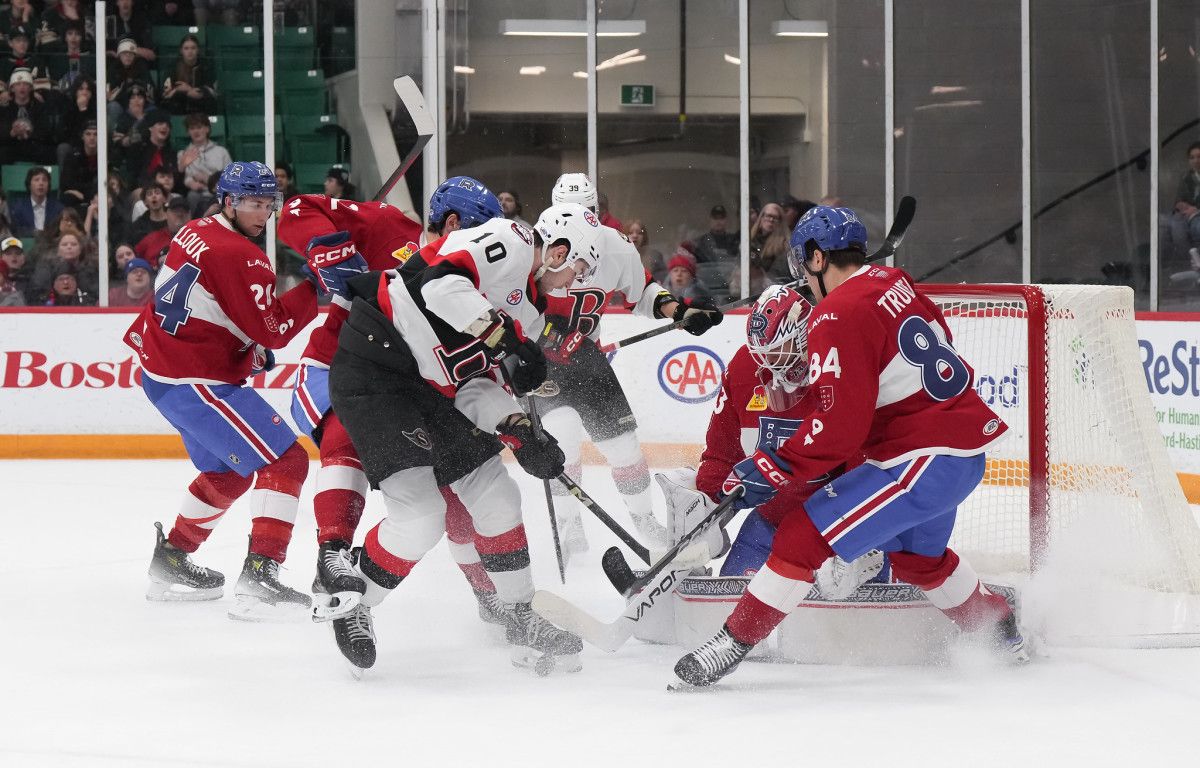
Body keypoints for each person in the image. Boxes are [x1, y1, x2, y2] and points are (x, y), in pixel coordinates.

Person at [673, 205, 1027, 687]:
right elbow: (936, 338)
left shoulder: (835, 314)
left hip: (920, 459)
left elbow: (838, 427)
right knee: (919, 560)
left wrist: (775, 464)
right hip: (957, 453)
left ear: (818, 259)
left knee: (801, 534)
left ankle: (730, 644)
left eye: (804, 265)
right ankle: (999, 629)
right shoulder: (893, 283)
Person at [315, 200, 595, 674]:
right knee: (421, 515)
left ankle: (520, 616)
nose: (574, 283)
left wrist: (517, 427)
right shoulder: (511, 239)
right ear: (559, 250)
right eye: (578, 270)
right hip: (379, 367)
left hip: (438, 390)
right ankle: (352, 601)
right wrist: (505, 341)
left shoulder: (528, 314)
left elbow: (475, 384)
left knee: (498, 497)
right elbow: (439, 286)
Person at [277, 176, 517, 636]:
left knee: (460, 498)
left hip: (416, 392)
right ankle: (333, 555)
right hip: (341, 369)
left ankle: (488, 594)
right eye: (478, 231)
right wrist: (327, 248)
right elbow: (296, 209)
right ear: (452, 222)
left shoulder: (475, 278)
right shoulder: (389, 227)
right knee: (346, 443)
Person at [123, 161, 319, 620]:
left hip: (163, 375)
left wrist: (241, 346)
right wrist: (314, 286)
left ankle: (171, 560)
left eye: (269, 204)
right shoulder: (242, 255)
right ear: (229, 202)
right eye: (254, 204)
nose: (263, 214)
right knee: (286, 460)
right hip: (195, 381)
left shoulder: (196, 230)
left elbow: (209, 304)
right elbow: (273, 330)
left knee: (229, 473)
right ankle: (260, 580)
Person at [541, 172, 724, 559]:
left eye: (586, 212)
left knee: (624, 449)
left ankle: (642, 520)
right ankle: (568, 524)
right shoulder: (536, 248)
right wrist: (546, 339)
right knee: (563, 446)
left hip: (588, 361)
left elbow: (641, 292)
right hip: (543, 366)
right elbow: (511, 304)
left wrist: (680, 311)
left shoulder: (614, 247)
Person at [0, 68, 56, 165]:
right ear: (12, 88)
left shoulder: (39, 107)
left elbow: (46, 131)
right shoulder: (5, 108)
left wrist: (29, 132)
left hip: (33, 145)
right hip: (12, 145)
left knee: (48, 153)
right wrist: (12, 133)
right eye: (18, 84)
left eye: (25, 84)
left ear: (30, 88)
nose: (22, 87)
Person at [177, 112, 232, 211]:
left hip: (218, 192)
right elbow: (186, 177)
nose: (196, 131)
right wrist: (190, 183)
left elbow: (230, 178)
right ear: (188, 132)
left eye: (199, 127)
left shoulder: (221, 151)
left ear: (207, 129)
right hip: (197, 193)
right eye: (192, 128)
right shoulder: (184, 154)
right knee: (192, 196)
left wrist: (208, 179)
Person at [160, 33, 216, 115]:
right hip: (178, 109)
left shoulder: (206, 66)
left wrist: (188, 89)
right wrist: (178, 90)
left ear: (198, 50)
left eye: (193, 48)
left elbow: (210, 93)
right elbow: (166, 94)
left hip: (202, 110)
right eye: (186, 48)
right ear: (181, 51)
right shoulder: (173, 66)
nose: (190, 51)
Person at [9, 166, 63, 237]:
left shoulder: (58, 208)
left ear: (48, 185)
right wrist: (34, 233)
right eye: (36, 180)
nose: (41, 183)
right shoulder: (18, 208)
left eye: (44, 180)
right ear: (29, 185)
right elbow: (16, 230)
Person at [134, 196, 189, 261]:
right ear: (167, 213)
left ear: (190, 215)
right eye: (175, 211)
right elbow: (134, 258)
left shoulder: (197, 241)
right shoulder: (152, 239)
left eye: (183, 211)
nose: (179, 214)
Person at [625, 218, 665, 283]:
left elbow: (661, 279)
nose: (635, 236)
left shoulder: (654, 257)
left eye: (639, 233)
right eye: (630, 233)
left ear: (644, 237)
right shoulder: (618, 257)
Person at [1, 236, 34, 302]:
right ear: (1, 258)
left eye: (18, 253)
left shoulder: (32, 280)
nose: (14, 256)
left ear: (23, 258)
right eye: (8, 253)